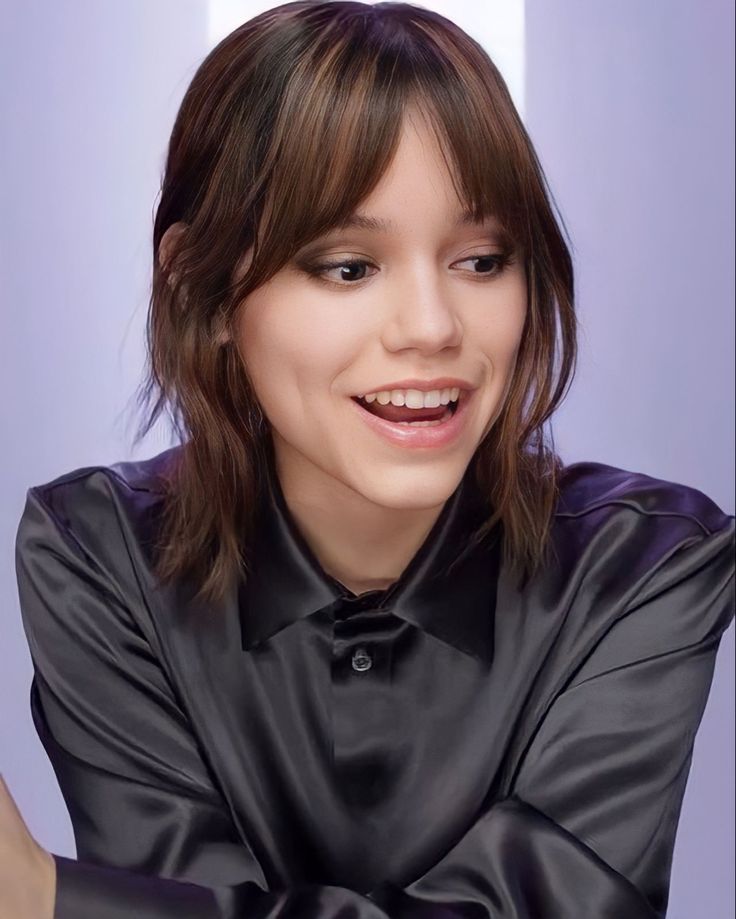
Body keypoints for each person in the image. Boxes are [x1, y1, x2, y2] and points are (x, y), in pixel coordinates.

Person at [4, 1, 734, 917]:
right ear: (203, 286)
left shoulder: (645, 566)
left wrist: (43, 898)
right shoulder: (98, 556)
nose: (432, 328)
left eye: (481, 259)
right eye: (348, 267)